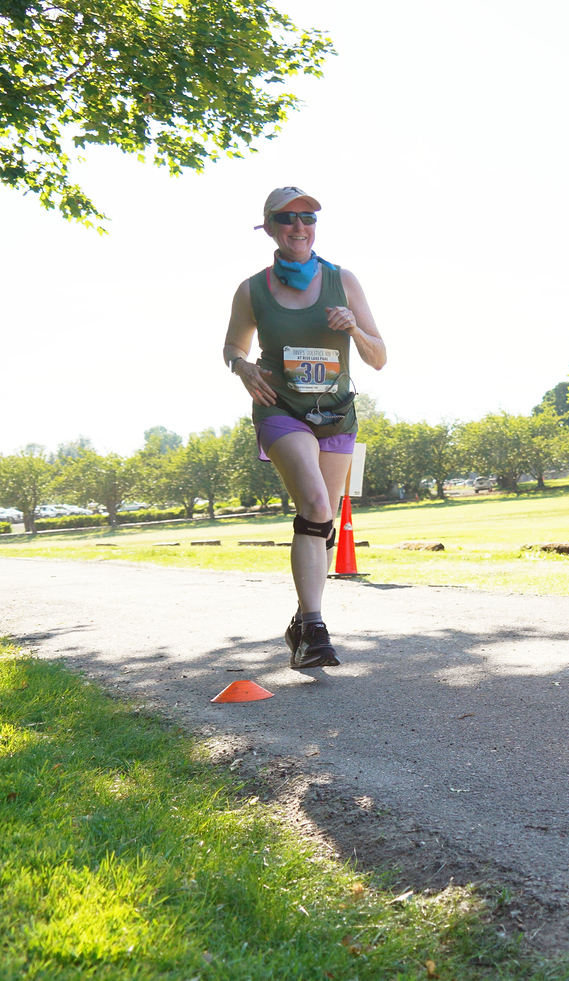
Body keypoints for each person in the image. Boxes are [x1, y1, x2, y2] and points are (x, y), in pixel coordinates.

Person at [222, 187, 386, 668]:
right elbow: (232, 346)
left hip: (336, 413)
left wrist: (353, 328)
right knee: (314, 503)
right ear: (269, 227)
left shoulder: (342, 280)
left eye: (308, 217)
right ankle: (316, 629)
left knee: (321, 522)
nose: (299, 226)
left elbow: (378, 357)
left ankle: (300, 623)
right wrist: (243, 367)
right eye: (287, 218)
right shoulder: (252, 289)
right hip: (281, 409)